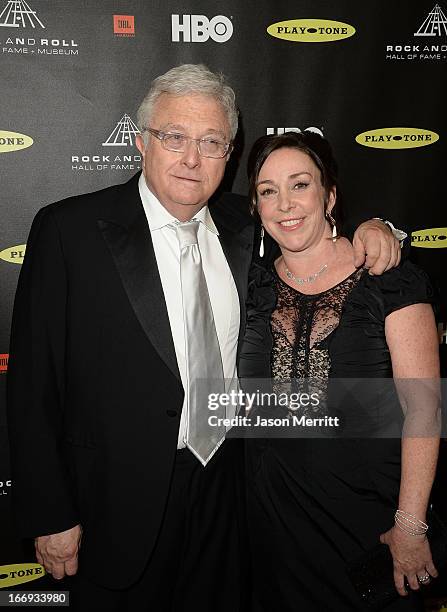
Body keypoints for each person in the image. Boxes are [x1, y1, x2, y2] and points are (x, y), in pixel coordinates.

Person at [7, 65, 400, 612]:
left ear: (230, 153)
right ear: (142, 142)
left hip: (232, 496)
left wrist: (379, 229)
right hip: (115, 504)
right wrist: (50, 514)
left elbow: (311, 227)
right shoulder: (68, 231)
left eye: (211, 142)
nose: (192, 158)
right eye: (175, 137)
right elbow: (32, 385)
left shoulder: (248, 223)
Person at [239, 131, 441, 611]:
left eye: (300, 184)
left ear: (329, 195)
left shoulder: (388, 281)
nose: (285, 204)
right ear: (255, 206)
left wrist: (410, 524)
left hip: (367, 526)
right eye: (268, 190)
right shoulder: (250, 286)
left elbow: (425, 410)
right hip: (272, 533)